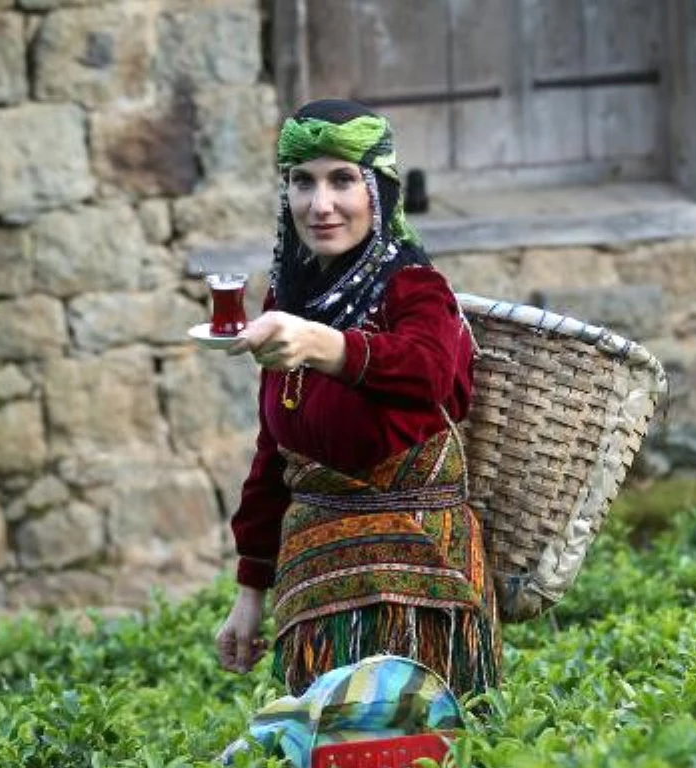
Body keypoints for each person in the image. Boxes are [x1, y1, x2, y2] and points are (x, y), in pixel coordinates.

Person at [214, 98, 501, 700]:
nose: (321, 204)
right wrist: (249, 591)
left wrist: (324, 346)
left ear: (377, 190)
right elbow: (276, 450)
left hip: (421, 587)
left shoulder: (416, 288)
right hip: (314, 584)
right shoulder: (287, 299)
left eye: (343, 179)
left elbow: (429, 372)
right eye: (303, 182)